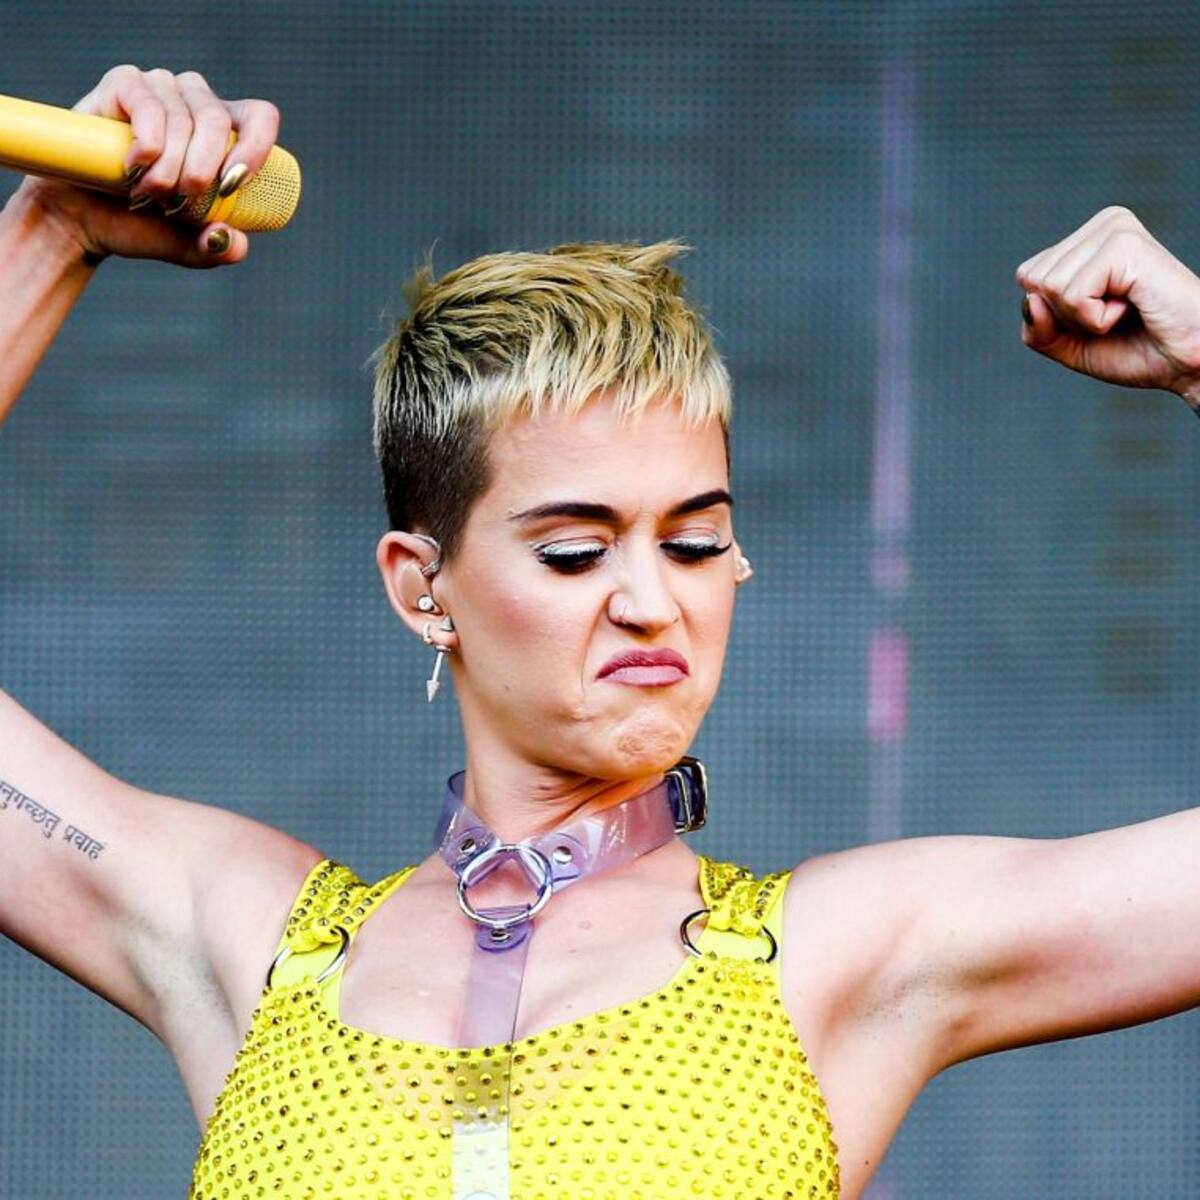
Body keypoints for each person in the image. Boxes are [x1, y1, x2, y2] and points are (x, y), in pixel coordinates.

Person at [2, 65, 1199, 1200]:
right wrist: (52, 232)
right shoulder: (252, 950)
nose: (651, 600)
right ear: (421, 587)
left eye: (695, 542)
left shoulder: (843, 957)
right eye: (575, 552)